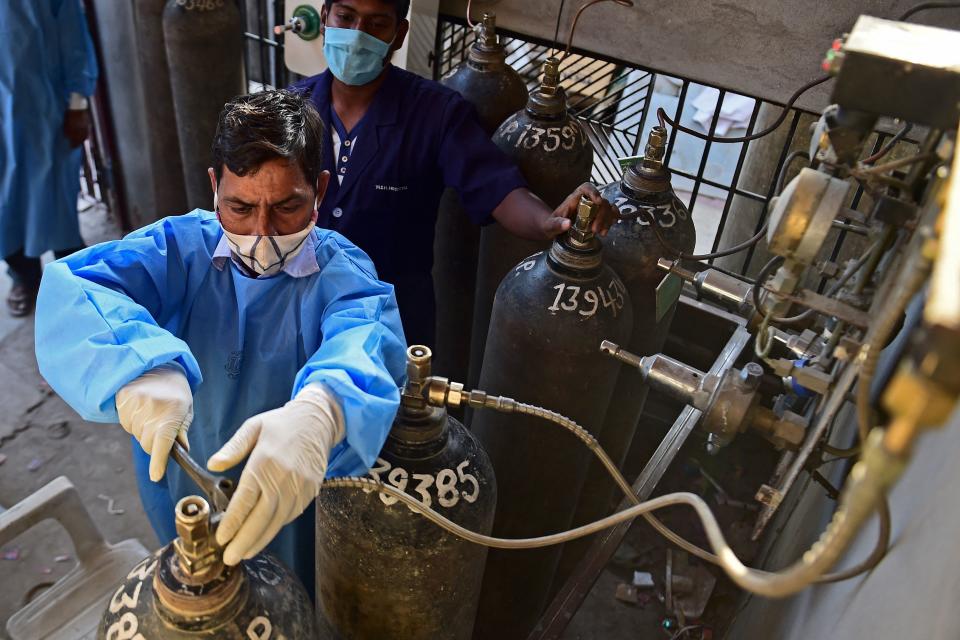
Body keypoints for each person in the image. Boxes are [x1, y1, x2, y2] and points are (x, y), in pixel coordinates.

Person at [34, 90, 407, 591]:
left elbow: (366, 339)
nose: (261, 233)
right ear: (214, 188)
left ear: (320, 190)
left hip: (294, 498)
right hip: (185, 484)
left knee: (289, 597)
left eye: (287, 207)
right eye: (240, 207)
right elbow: (74, 290)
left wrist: (324, 411)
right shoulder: (178, 248)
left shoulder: (342, 273)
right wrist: (138, 363)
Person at [291, 0, 618, 347]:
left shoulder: (436, 113)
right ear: (325, 18)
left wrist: (548, 221)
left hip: (391, 324)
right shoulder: (290, 110)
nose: (357, 35)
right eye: (346, 17)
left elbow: (497, 188)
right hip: (301, 312)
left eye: (377, 24)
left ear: (399, 34)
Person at [0, 0, 98, 316]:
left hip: (43, 112)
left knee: (55, 199)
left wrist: (78, 105)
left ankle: (74, 275)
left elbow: (74, 43)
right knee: (5, 207)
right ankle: (24, 276)